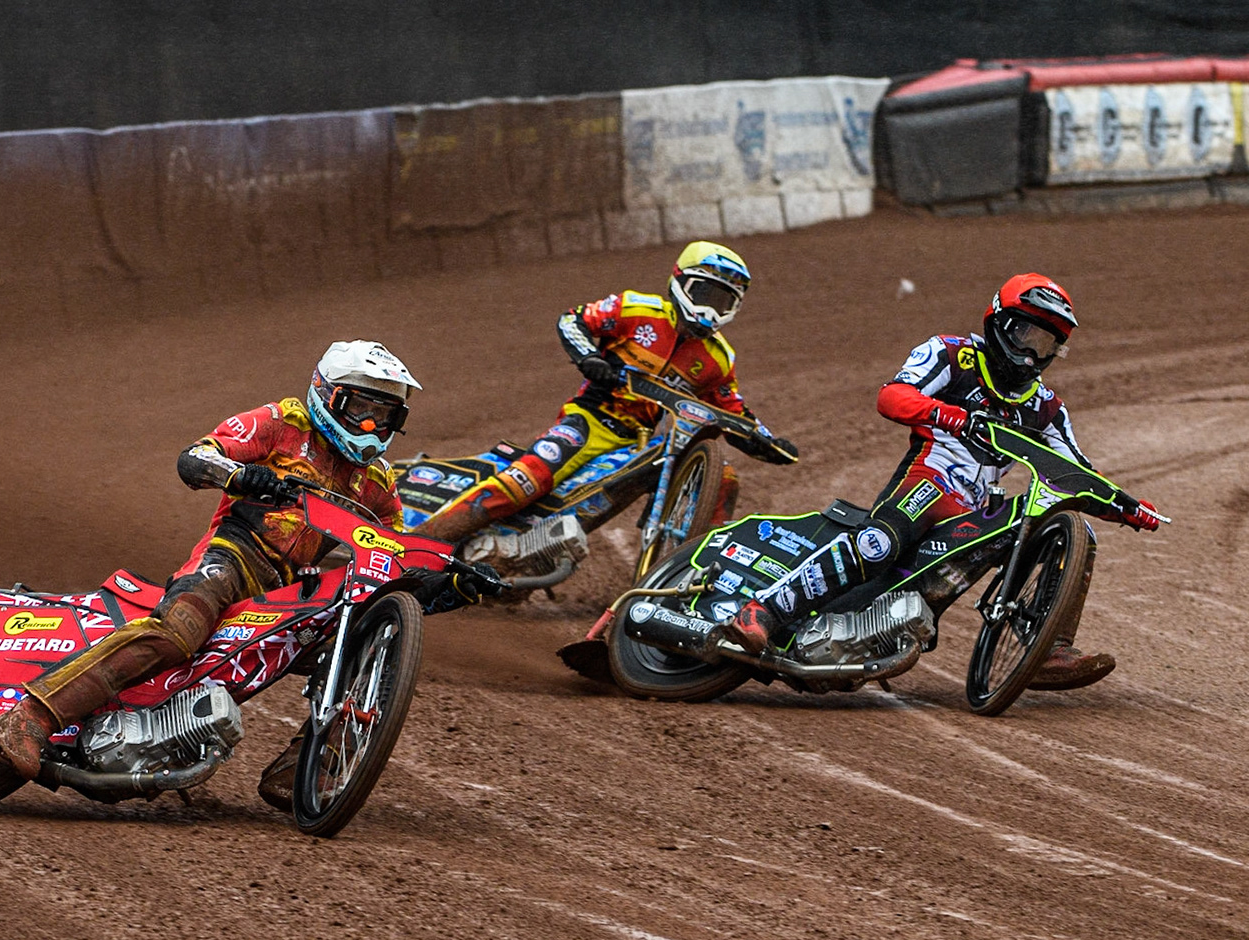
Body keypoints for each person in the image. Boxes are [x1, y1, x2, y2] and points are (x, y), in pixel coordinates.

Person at [0, 340, 490, 808]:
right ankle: (30, 718)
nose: (372, 426)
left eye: (385, 415)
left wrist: (449, 587)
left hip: (294, 584)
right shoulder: (281, 422)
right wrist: (240, 474)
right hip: (234, 553)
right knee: (178, 632)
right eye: (361, 409)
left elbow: (393, 558)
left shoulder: (376, 482)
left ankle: (301, 769)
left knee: (363, 647)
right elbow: (195, 457)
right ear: (327, 395)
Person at [712, 273, 1158, 688]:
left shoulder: (1047, 409)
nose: (1031, 353)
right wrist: (951, 417)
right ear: (999, 322)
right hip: (929, 480)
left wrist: (1127, 505)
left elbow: (1077, 472)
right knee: (878, 545)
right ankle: (763, 611)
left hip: (974, 509)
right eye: (1026, 334)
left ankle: (1046, 647)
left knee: (1058, 532)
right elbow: (892, 396)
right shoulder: (950, 353)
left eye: (1046, 344)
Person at [414, 241, 796, 545]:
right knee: (527, 479)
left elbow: (732, 410)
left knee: (723, 478)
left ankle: (689, 574)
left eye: (724, 301)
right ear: (681, 282)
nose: (712, 309)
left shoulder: (718, 358)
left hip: (641, 441)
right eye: (706, 293)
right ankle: (419, 543)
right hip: (590, 419)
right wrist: (589, 357)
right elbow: (574, 319)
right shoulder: (635, 309)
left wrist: (765, 440)